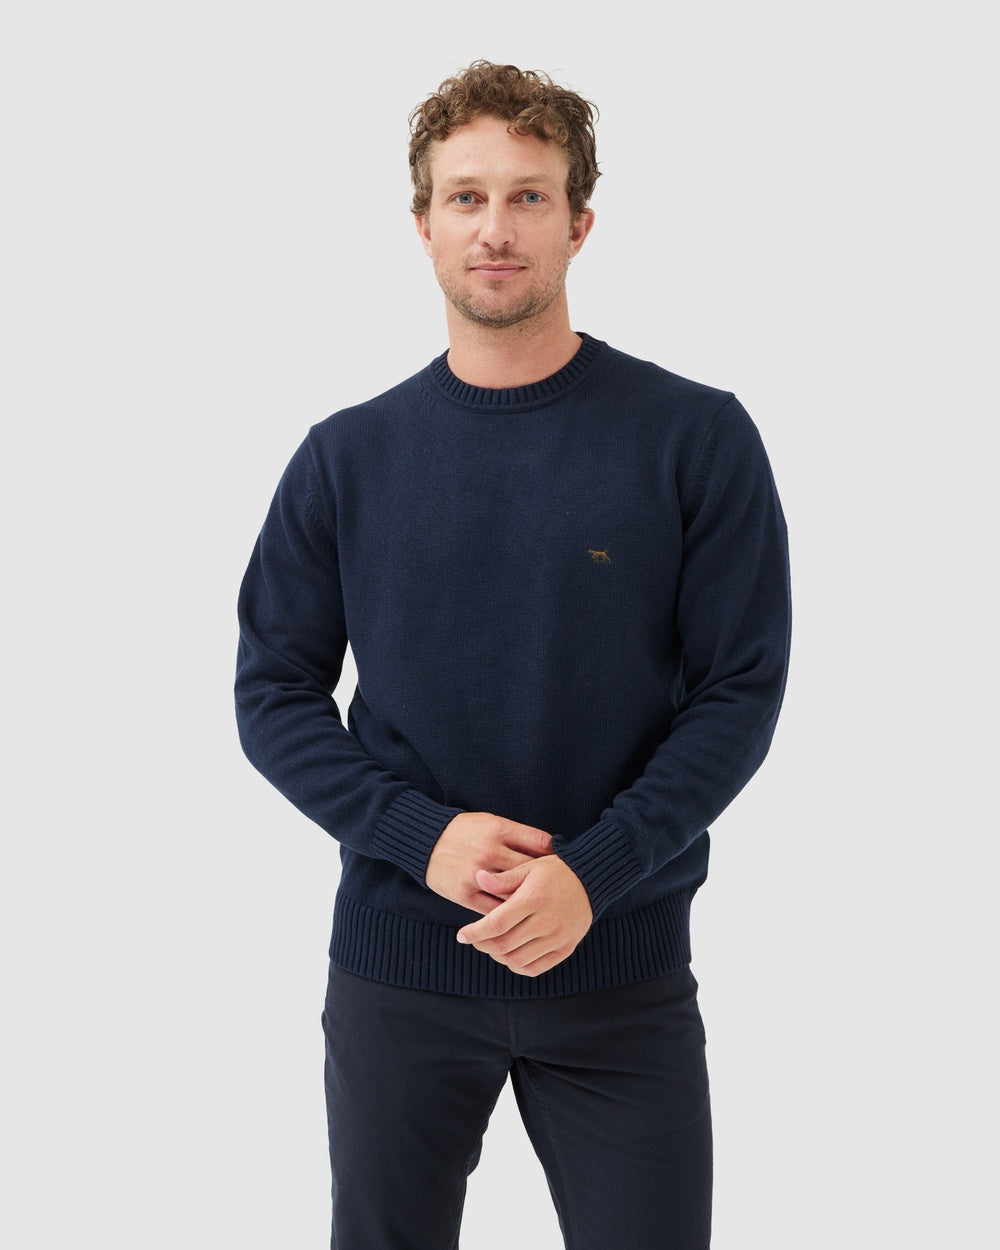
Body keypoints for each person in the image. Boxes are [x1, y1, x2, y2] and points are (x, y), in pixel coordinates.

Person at [235, 59, 791, 1250]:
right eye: (467, 196)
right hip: (400, 971)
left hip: (620, 974)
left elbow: (738, 690)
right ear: (424, 224)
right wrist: (417, 836)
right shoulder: (346, 457)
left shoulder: (694, 438)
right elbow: (273, 692)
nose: (496, 227)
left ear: (579, 223)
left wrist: (595, 870)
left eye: (529, 196)